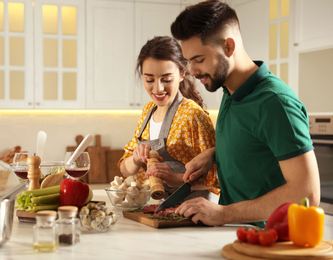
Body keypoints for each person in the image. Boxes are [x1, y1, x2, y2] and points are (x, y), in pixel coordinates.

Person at [170, 0, 320, 227]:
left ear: (229, 47)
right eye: (189, 62)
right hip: (238, 236)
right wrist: (214, 153)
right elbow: (257, 141)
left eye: (199, 59)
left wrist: (223, 213)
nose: (193, 71)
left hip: (272, 242)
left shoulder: (275, 103)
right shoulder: (230, 90)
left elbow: (306, 195)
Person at [118, 36, 220, 201]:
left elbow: (217, 176)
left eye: (166, 79)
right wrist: (136, 159)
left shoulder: (193, 115)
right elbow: (124, 169)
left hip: (193, 212)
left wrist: (178, 179)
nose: (158, 88)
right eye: (149, 79)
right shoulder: (147, 111)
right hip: (157, 209)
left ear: (182, 74)